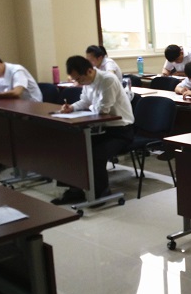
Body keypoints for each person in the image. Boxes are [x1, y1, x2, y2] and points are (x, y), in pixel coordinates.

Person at [51, 56, 134, 204]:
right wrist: (72, 107)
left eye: (79, 79)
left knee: (95, 154)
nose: (78, 82)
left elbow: (103, 109)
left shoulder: (108, 80)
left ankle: (100, 193)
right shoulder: (87, 82)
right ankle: (75, 190)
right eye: (75, 79)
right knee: (72, 148)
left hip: (120, 131)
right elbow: (85, 100)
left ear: (89, 71)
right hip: (101, 129)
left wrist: (90, 106)